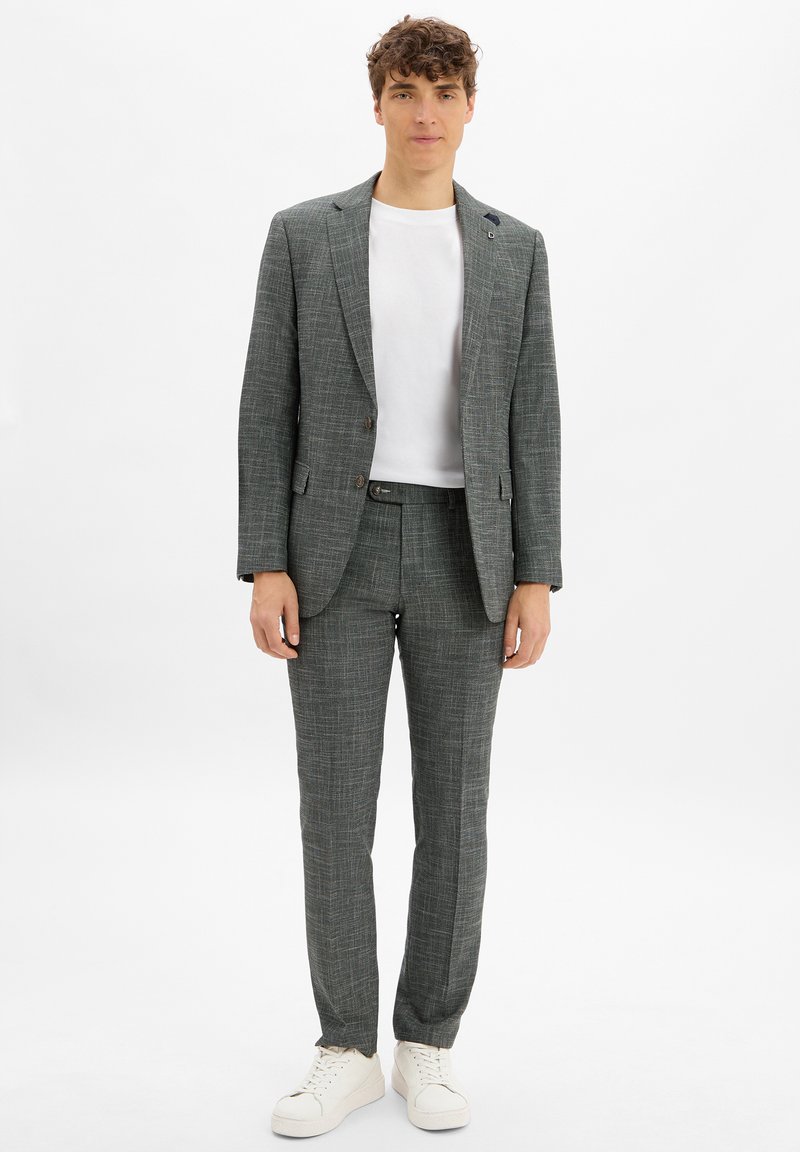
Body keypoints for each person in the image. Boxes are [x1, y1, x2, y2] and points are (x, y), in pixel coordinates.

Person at [237, 13, 562, 1139]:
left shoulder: (515, 248)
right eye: (406, 91)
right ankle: (345, 1047)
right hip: (334, 548)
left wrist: (537, 574)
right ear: (375, 103)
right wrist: (265, 561)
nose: (426, 113)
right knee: (335, 812)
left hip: (470, 552)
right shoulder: (304, 236)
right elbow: (266, 404)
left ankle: (427, 1042)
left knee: (454, 815)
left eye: (444, 91)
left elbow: (533, 417)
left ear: (470, 106)